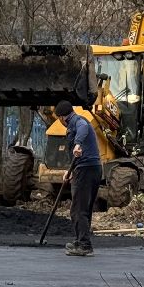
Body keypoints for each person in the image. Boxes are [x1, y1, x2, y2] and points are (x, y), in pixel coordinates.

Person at [55, 100, 101, 256]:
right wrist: (70, 171)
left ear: (61, 118)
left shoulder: (78, 121)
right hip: (91, 168)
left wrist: (77, 144)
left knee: (78, 209)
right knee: (84, 209)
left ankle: (84, 245)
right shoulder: (78, 121)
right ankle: (81, 239)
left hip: (86, 169)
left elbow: (83, 129)